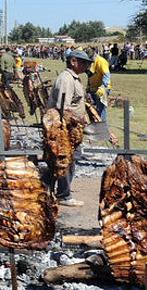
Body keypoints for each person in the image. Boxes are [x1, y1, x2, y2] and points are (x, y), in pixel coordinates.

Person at [45, 49, 93, 207]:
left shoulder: (74, 78)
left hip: (73, 129)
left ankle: (48, 191)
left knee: (61, 161)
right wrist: (78, 119)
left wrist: (83, 116)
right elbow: (63, 108)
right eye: (84, 62)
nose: (87, 65)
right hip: (64, 129)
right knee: (66, 161)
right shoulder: (66, 79)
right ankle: (63, 195)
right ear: (73, 61)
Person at [86, 47, 111, 122]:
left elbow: (106, 75)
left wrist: (103, 87)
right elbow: (89, 75)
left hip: (102, 88)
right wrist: (88, 87)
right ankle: (95, 126)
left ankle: (101, 126)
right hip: (93, 87)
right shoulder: (89, 62)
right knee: (92, 109)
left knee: (100, 109)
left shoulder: (101, 61)